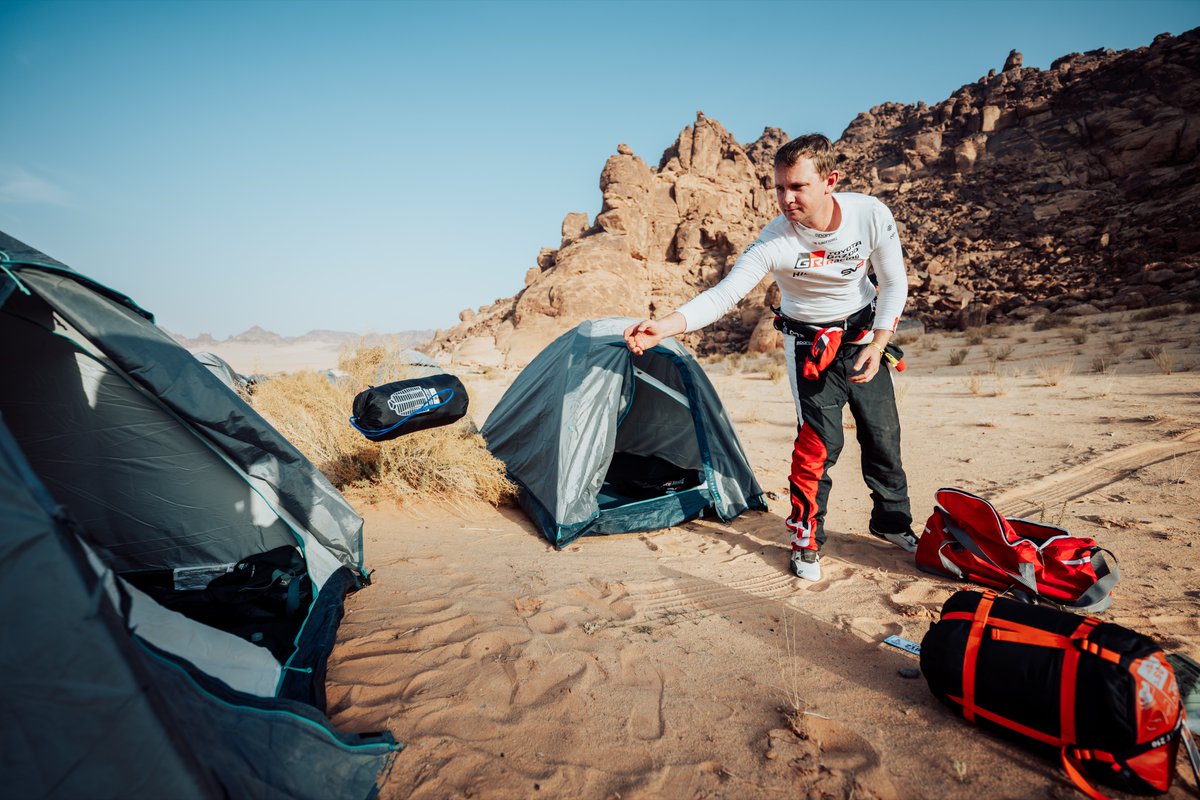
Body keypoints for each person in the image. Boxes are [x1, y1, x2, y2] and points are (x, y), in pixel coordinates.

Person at [624, 133, 917, 582]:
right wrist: (663, 326)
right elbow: (724, 296)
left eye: (797, 187)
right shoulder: (775, 241)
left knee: (883, 434)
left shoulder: (870, 215)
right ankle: (806, 535)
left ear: (829, 181)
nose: (786, 198)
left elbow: (894, 284)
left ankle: (892, 522)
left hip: (863, 337)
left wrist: (878, 346)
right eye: (779, 187)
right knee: (819, 447)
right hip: (809, 348)